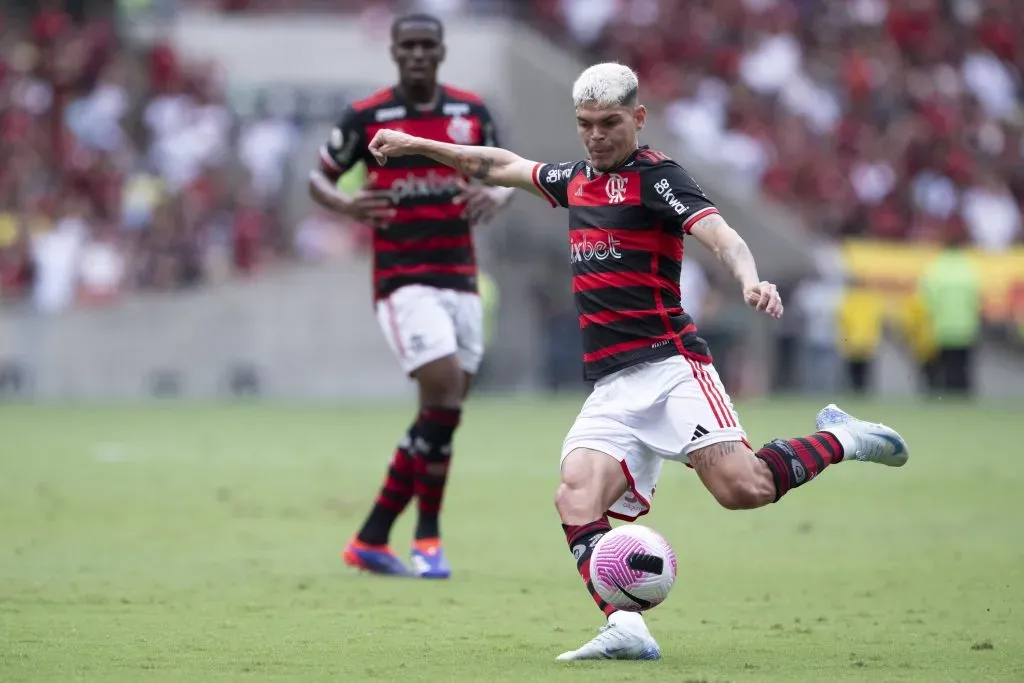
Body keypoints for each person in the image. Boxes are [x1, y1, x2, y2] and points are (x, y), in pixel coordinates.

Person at [367, 62, 910, 661]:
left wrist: (752, 280)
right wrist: (417, 144)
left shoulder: (659, 179)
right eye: (585, 125)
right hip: (611, 386)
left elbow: (724, 237)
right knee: (575, 496)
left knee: (742, 489)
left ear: (638, 118)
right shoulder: (574, 180)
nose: (596, 136)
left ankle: (842, 439)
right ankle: (625, 625)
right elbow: (498, 165)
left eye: (609, 123)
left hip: (672, 366)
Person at [308, 12, 515, 579]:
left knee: (441, 414)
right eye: (409, 46)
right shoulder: (367, 116)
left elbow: (509, 174)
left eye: (428, 45)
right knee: (445, 392)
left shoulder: (471, 113)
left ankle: (374, 536)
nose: (419, 54)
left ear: (442, 51)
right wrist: (347, 205)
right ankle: (427, 538)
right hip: (403, 278)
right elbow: (318, 177)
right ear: (395, 52)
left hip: (462, 278)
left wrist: (500, 199)